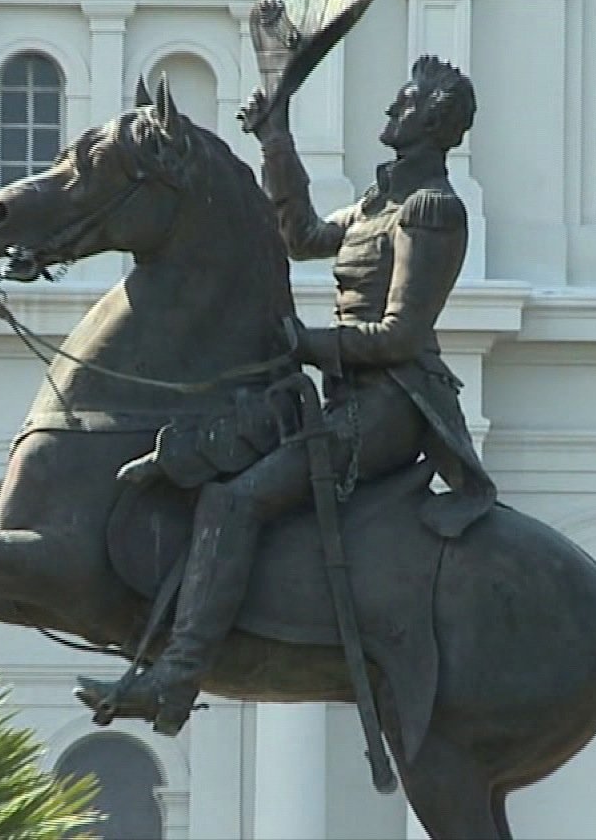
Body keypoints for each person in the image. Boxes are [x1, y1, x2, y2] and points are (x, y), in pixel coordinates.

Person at [77, 54, 497, 735]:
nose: (392, 108)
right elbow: (299, 236)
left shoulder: (432, 210)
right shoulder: (376, 202)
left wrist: (303, 343)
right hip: (342, 395)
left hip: (393, 405)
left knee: (237, 498)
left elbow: (399, 334)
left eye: (407, 101)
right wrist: (275, 137)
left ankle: (176, 683)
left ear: (436, 121)